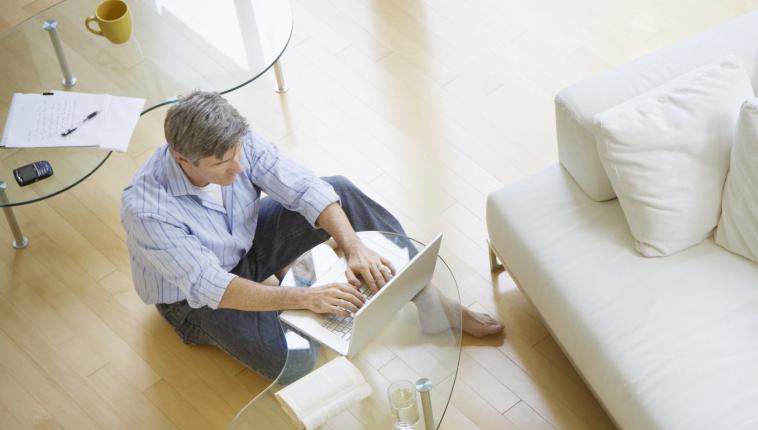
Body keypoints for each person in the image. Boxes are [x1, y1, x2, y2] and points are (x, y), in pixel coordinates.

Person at [121, 91, 502, 382]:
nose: (238, 167)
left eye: (238, 152)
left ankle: (427, 297)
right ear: (183, 159)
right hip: (196, 299)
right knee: (297, 362)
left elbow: (302, 186)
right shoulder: (147, 209)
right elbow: (211, 285)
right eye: (222, 163)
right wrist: (307, 297)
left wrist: (354, 246)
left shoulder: (231, 139)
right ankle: (301, 283)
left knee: (338, 189)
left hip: (245, 240)